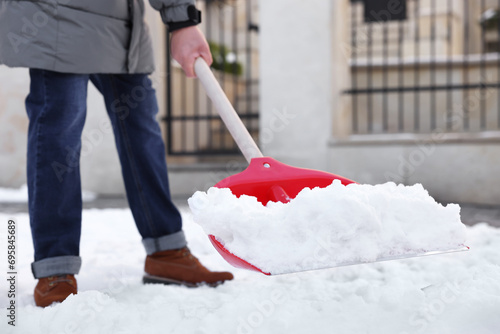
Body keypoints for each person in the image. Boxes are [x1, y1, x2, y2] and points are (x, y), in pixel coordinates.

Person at [0, 0, 233, 308]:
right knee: (60, 127)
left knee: (141, 127)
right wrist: (181, 23)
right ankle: (55, 267)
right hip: (55, 14)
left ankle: (167, 251)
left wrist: (181, 20)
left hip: (123, 21)